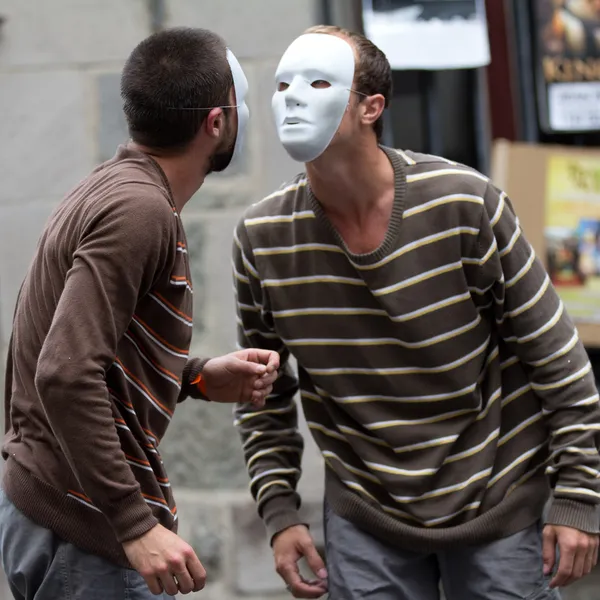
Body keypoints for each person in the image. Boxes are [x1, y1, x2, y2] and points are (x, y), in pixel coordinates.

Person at [232, 24, 600, 600]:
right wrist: (280, 511)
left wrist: (577, 495)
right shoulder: (264, 237)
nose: (293, 97)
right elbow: (262, 392)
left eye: (319, 81)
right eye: (281, 85)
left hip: (496, 493)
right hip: (366, 512)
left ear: (370, 108)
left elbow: (558, 360)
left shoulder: (463, 202)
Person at [0, 27, 280, 600]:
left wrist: (198, 376)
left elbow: (94, 357)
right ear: (217, 123)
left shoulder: (118, 189)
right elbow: (64, 371)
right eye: (239, 101)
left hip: (62, 518)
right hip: (81, 528)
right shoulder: (138, 210)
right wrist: (134, 523)